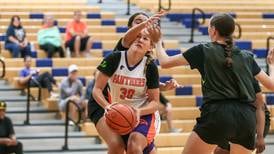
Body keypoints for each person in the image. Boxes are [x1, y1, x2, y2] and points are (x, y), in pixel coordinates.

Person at [155, 13, 274, 154]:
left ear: (213, 30)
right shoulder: (247, 56)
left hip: (218, 115)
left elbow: (165, 62)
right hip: (246, 119)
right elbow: (271, 85)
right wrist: (272, 65)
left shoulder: (203, 50)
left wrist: (157, 42)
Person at [92, 27, 161, 154]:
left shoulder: (150, 66)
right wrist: (107, 106)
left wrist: (139, 111)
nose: (139, 40)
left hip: (144, 114)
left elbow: (155, 103)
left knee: (134, 145)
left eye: (145, 38)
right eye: (137, 36)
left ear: (150, 47)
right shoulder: (114, 58)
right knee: (117, 147)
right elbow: (97, 89)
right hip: (120, 113)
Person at [214, 80, 270, 154]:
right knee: (219, 151)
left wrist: (260, 137)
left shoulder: (245, 77)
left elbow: (260, 108)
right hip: (235, 120)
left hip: (254, 120)